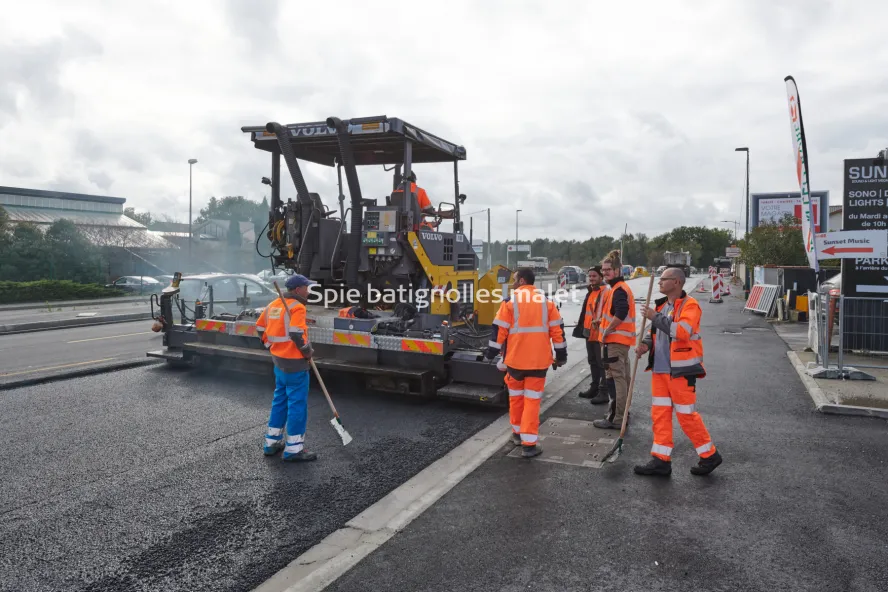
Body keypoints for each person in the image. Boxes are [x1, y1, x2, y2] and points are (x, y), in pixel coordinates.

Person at [634, 268, 722, 477]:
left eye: (663, 280)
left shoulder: (690, 305)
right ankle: (661, 460)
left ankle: (709, 455)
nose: (659, 283)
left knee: (686, 416)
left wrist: (655, 317)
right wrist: (646, 344)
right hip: (661, 370)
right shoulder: (664, 305)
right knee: (660, 415)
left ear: (676, 282)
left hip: (681, 372)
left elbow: (682, 332)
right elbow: (653, 333)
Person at [485, 267, 567, 458]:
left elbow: (499, 331)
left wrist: (490, 353)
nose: (513, 283)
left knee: (516, 398)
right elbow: (558, 333)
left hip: (515, 362)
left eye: (514, 279)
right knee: (532, 401)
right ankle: (529, 444)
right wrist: (561, 356)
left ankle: (516, 433)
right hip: (538, 363)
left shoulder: (509, 303)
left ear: (522, 281)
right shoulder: (547, 303)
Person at [255, 274, 318, 463]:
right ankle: (294, 449)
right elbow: (297, 333)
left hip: (279, 361)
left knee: (280, 400)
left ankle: (271, 443)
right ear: (298, 289)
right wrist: (307, 352)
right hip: (295, 362)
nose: (308, 291)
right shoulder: (297, 307)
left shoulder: (274, 304)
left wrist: (269, 346)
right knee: (297, 404)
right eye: (306, 287)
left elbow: (259, 327)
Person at [592, 250, 636, 430]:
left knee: (615, 379)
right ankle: (623, 413)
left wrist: (606, 330)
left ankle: (616, 418)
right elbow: (615, 314)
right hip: (621, 343)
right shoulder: (618, 289)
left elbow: (621, 312)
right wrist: (600, 321)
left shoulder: (618, 290)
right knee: (622, 378)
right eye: (603, 270)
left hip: (615, 343)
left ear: (618, 270)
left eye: (608, 270)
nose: (605, 273)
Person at [573, 266, 609, 404]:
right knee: (593, 361)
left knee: (602, 364)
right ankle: (594, 388)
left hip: (600, 333)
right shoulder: (591, 292)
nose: (592, 278)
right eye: (590, 276)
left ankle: (603, 391)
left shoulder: (605, 292)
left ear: (601, 277)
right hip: (589, 333)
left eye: (594, 276)